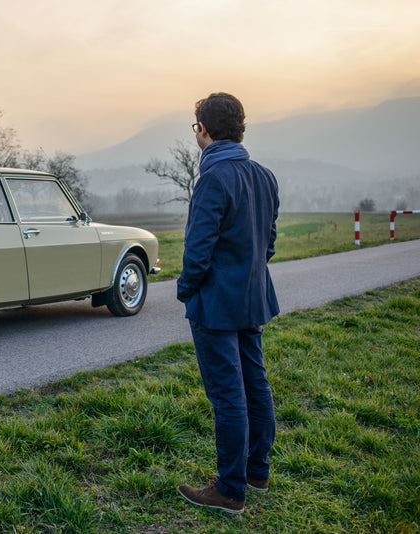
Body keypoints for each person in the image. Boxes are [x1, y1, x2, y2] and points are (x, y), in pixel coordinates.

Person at [176, 92, 280, 514]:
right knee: (256, 386)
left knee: (228, 395)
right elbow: (268, 243)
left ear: (203, 130)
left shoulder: (213, 180)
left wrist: (187, 289)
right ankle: (257, 472)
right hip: (252, 299)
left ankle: (230, 489)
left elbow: (197, 251)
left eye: (194, 126)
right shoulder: (265, 176)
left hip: (216, 304)